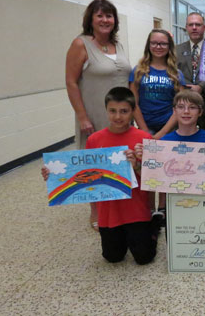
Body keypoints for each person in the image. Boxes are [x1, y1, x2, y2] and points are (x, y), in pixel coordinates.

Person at [42, 87, 157, 265]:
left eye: (124, 111)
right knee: (112, 257)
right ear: (106, 110)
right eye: (112, 111)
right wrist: (54, 174)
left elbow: (153, 178)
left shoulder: (143, 138)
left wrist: (137, 165)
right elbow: (83, 172)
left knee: (144, 258)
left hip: (136, 208)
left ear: (133, 112)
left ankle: (152, 228)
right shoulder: (95, 139)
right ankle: (127, 236)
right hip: (109, 210)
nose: (118, 116)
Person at [65, 0, 131, 231]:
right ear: (91, 19)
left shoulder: (118, 46)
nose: (105, 20)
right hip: (94, 115)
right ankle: (96, 211)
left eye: (109, 16)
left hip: (122, 115)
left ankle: (118, 207)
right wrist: (82, 116)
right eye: (100, 16)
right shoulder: (81, 44)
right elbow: (71, 83)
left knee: (119, 160)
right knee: (93, 164)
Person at [134, 89, 205, 226]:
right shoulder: (165, 141)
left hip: (202, 201)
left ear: (200, 112)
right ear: (174, 111)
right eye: (181, 107)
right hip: (173, 203)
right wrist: (142, 160)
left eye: (192, 108)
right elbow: (155, 177)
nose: (186, 111)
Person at [129, 29, 185, 139]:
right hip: (144, 127)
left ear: (169, 46)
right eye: (154, 43)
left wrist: (162, 133)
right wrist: (145, 131)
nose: (158, 47)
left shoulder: (176, 74)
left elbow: (180, 106)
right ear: (148, 45)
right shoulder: (138, 71)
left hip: (169, 128)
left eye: (163, 44)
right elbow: (133, 104)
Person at [175, 12, 205, 132]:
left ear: (204, 27)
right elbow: (173, 72)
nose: (194, 27)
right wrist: (185, 88)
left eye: (198, 24)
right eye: (190, 24)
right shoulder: (176, 50)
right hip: (184, 104)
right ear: (186, 27)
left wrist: (201, 87)